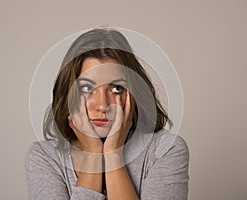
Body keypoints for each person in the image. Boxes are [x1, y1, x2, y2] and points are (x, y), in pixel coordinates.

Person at [25, 27, 189, 200]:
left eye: (116, 88)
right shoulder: (44, 157)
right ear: (69, 93)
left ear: (133, 94)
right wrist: (93, 152)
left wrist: (113, 154)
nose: (102, 106)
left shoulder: (165, 150)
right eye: (87, 88)